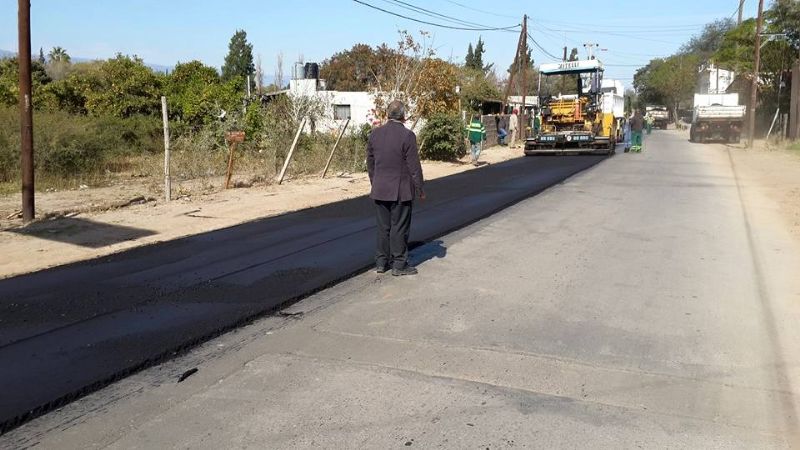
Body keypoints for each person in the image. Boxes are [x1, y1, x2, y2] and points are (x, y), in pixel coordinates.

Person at [366, 100, 425, 276]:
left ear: (387, 114)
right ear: (403, 116)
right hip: (401, 190)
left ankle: (381, 262)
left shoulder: (375, 134)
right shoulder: (408, 136)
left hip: (380, 188)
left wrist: (375, 181)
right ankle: (399, 264)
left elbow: (370, 162)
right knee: (399, 227)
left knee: (383, 227)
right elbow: (414, 166)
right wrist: (420, 188)